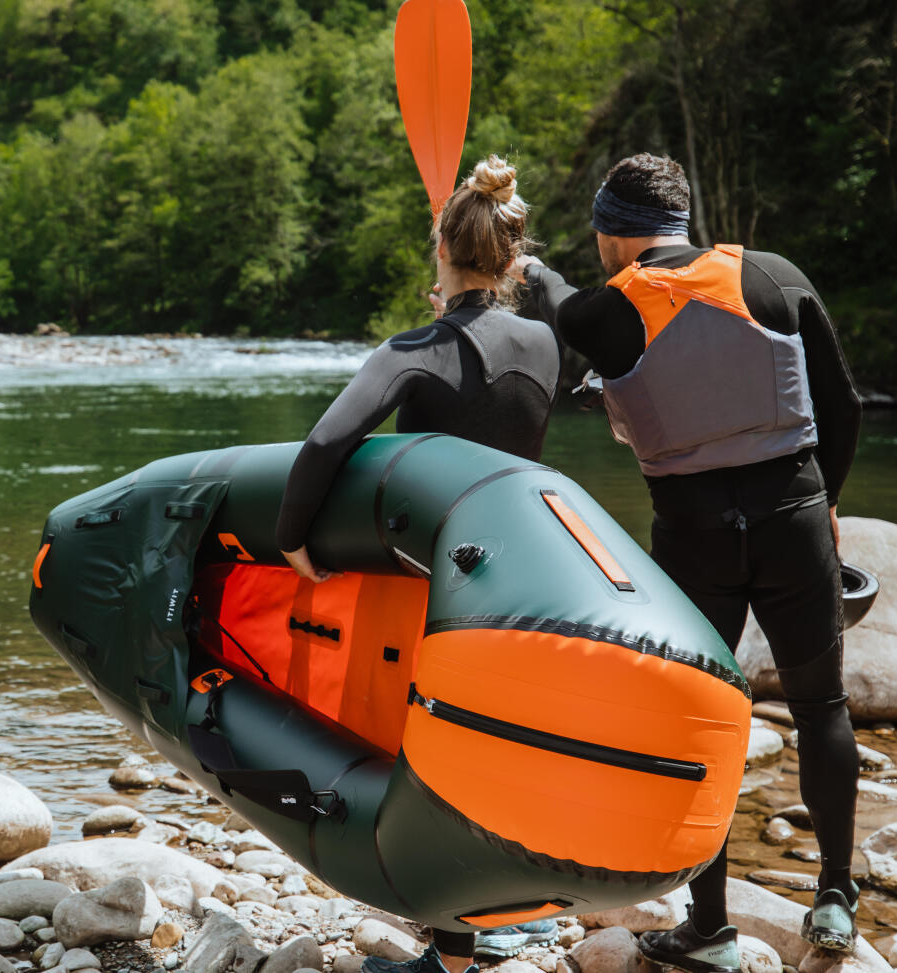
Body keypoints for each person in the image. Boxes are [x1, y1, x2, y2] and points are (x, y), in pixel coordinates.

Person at [512, 153, 863, 973]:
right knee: (822, 707)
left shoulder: (601, 314)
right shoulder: (773, 276)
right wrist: (830, 504)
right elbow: (840, 402)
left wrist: (528, 265)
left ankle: (710, 928)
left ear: (610, 233)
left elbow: (552, 298)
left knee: (697, 726)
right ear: (683, 222)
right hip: (795, 521)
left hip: (693, 542)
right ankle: (836, 895)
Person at [275, 156, 562, 972]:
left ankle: (453, 949)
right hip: (520, 583)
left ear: (439, 249)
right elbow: (523, 326)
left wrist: (297, 536)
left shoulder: (415, 349)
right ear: (514, 257)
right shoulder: (543, 345)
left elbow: (328, 442)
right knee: (496, 748)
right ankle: (507, 910)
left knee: (429, 759)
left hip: (430, 585)